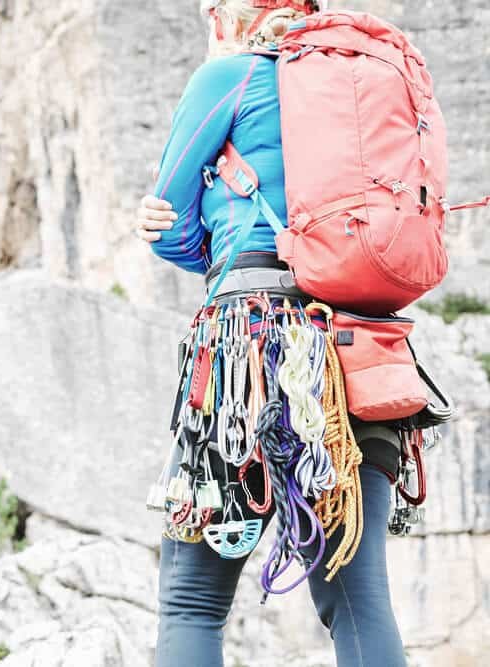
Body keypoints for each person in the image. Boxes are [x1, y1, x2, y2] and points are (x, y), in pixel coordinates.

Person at [135, 1, 409, 666]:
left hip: (249, 349)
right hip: (362, 352)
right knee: (356, 596)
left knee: (192, 600)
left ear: (231, 16)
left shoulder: (228, 75)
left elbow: (169, 226)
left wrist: (230, 246)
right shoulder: (372, 86)